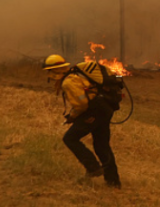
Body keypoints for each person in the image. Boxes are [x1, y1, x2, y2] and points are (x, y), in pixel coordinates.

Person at [43, 54, 121, 188]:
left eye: (49, 71)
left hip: (94, 112)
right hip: (104, 109)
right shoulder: (75, 76)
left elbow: (82, 104)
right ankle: (113, 182)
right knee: (102, 145)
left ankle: (93, 167)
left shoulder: (68, 82)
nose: (49, 75)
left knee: (70, 138)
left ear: (55, 70)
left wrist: (72, 116)